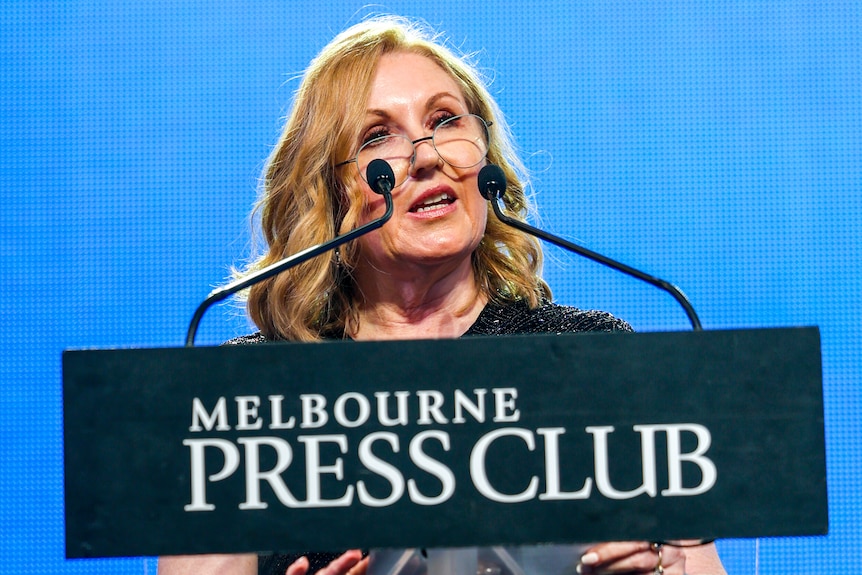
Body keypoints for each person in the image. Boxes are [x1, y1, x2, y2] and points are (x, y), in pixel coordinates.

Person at [159, 15, 728, 575]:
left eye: (446, 119)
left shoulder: (597, 362)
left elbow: (691, 564)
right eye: (377, 136)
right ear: (326, 195)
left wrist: (658, 567)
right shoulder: (242, 397)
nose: (427, 156)